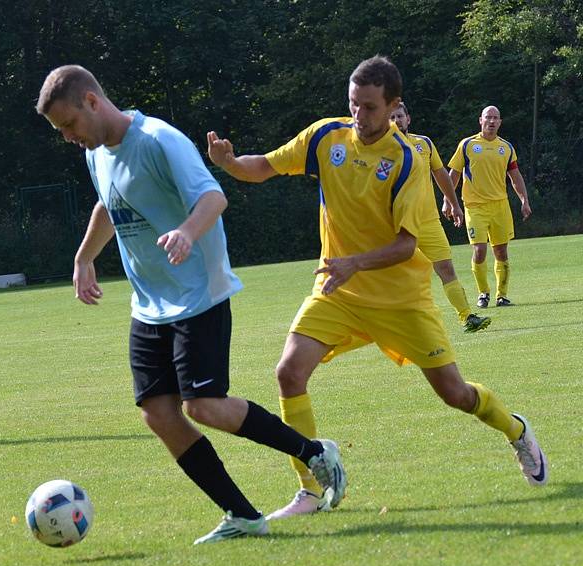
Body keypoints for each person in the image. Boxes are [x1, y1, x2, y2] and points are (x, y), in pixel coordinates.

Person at [207, 55, 547, 520]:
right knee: (288, 373)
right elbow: (264, 166)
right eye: (353, 104)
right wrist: (230, 163)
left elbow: (408, 246)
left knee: (454, 394)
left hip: (400, 300)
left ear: (393, 106)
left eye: (369, 107)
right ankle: (309, 489)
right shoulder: (327, 136)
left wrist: (354, 263)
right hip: (340, 292)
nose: (359, 116)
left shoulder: (406, 159)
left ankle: (516, 430)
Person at [35, 65, 346, 544]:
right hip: (148, 304)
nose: (68, 137)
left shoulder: (159, 139)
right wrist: (84, 258)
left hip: (198, 293)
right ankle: (242, 514)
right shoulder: (97, 153)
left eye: (69, 125)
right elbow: (108, 202)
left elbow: (212, 197)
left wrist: (185, 232)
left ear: (92, 101)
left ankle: (313, 453)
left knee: (203, 405)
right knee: (158, 413)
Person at [389, 102, 490, 333]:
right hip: (398, 225)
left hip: (428, 221)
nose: (396, 120)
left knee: (446, 268)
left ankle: (467, 316)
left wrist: (453, 203)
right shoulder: (380, 148)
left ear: (408, 118)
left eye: (400, 116)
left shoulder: (424, 143)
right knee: (402, 276)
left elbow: (440, 173)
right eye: (391, 117)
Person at [447, 106, 532, 308]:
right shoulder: (467, 145)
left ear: (500, 122)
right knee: (479, 250)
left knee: (501, 252)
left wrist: (524, 200)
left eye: (495, 118)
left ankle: (501, 296)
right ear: (480, 120)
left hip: (500, 206)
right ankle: (483, 293)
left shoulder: (507, 147)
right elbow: (454, 174)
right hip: (474, 206)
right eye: (488, 118)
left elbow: (515, 176)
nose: (491, 121)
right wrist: (447, 201)